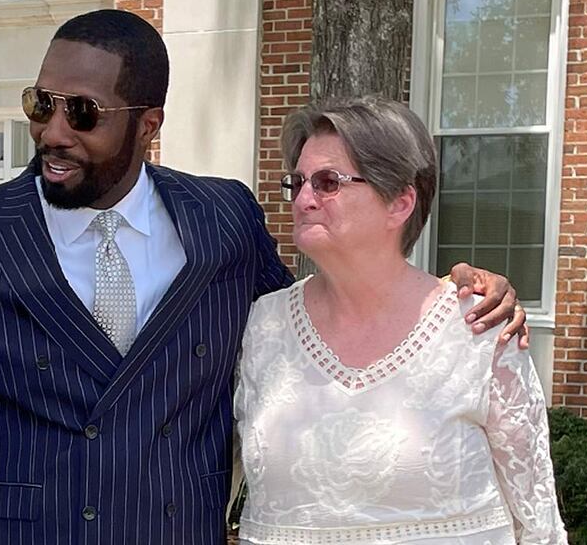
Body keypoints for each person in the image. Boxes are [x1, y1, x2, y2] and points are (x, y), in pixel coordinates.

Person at [0, 10, 527, 544]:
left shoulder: (223, 222)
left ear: (148, 125)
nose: (53, 132)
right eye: (41, 103)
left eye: (82, 113)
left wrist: (449, 295)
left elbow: (319, 320)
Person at [233, 96, 566, 544]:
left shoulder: (479, 326)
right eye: (298, 182)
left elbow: (537, 516)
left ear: (400, 203)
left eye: (328, 182)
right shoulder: (261, 326)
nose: (305, 198)